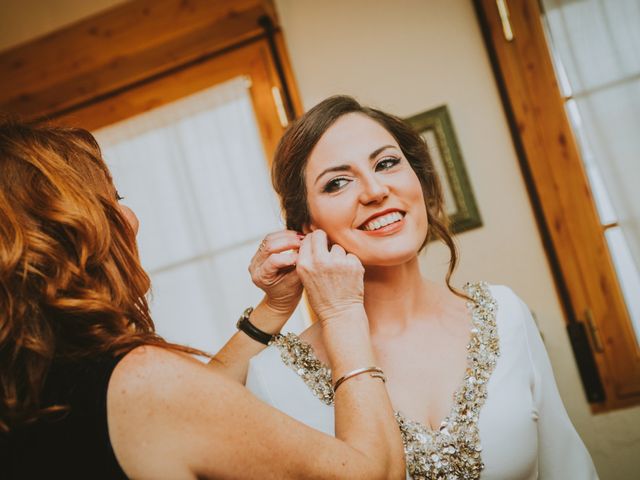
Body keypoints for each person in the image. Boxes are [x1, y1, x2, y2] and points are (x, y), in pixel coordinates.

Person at [0, 119, 406, 479]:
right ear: (68, 231)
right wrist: (341, 310)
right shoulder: (143, 382)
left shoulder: (29, 376)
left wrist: (274, 308)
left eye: (387, 163)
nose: (131, 217)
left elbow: (194, 408)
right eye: (112, 201)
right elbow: (375, 474)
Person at [240, 96, 599, 479]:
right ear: (308, 228)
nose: (375, 190)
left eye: (387, 163)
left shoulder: (504, 312)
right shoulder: (273, 377)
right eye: (337, 182)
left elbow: (569, 468)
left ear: (419, 180)